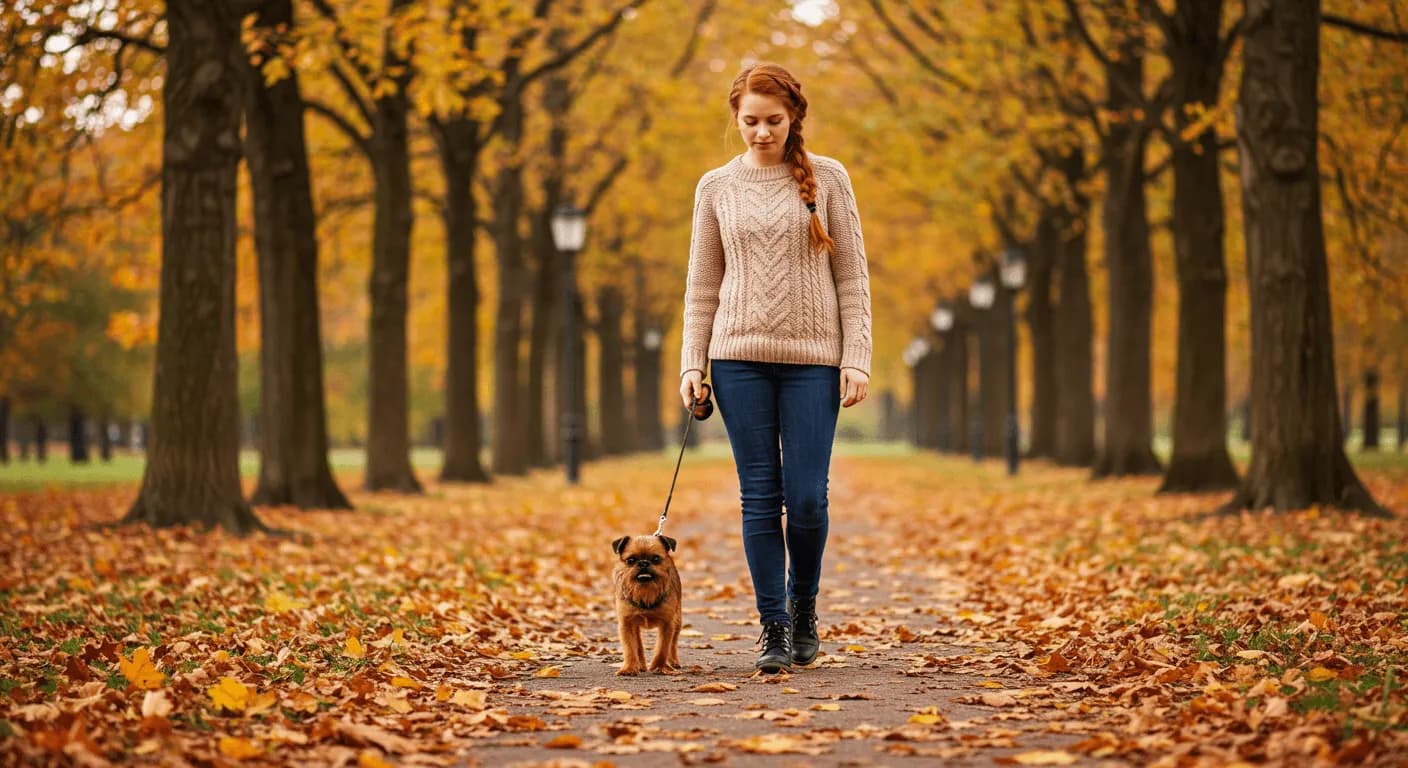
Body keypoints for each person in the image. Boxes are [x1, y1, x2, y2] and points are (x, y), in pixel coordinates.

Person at [679, 62, 872, 674]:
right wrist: (691, 363)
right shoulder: (715, 187)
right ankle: (774, 625)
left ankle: (803, 604)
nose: (761, 132)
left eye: (773, 121)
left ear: (794, 119)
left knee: (807, 498)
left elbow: (852, 277)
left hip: (813, 362)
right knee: (759, 497)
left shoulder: (829, 179)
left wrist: (857, 356)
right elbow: (702, 285)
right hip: (737, 360)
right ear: (736, 120)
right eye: (750, 121)